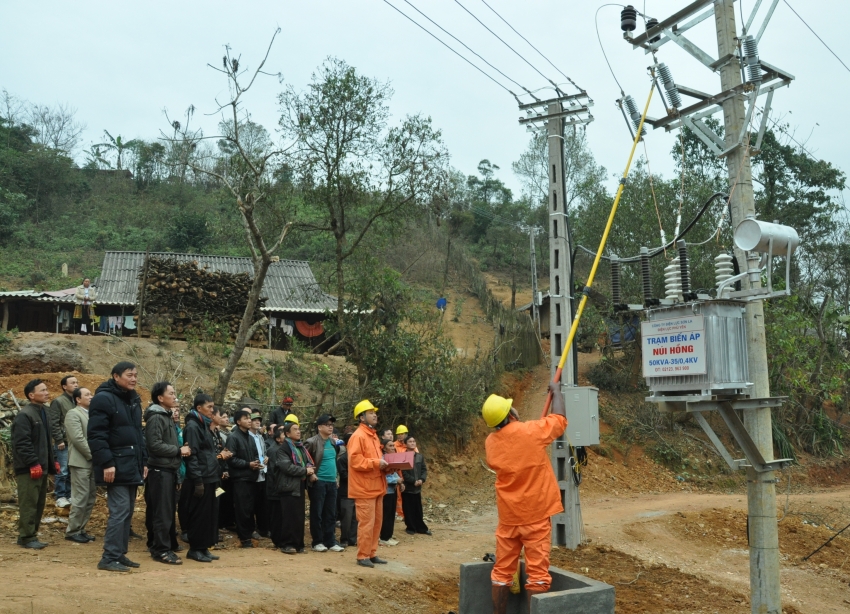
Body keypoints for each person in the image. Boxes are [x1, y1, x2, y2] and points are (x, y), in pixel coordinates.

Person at [483, 383, 567, 611]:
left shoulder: (490, 443)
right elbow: (559, 420)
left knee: (501, 572)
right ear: (511, 414)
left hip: (509, 517)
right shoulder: (530, 432)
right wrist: (557, 393)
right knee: (537, 575)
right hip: (536, 515)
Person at [88, 362, 147, 572]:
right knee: (120, 511)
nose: (134, 379)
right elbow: (96, 435)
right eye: (129, 375)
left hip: (131, 464)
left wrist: (144, 462)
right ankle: (109, 557)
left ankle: (120, 554)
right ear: (115, 376)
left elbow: (139, 435)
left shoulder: (132, 399)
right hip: (116, 464)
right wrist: (107, 463)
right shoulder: (103, 399)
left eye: (136, 375)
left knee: (128, 511)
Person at [144, 382, 191, 565]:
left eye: (175, 393)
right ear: (160, 398)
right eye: (171, 393)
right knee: (162, 513)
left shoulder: (167, 416)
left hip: (168, 470)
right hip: (159, 471)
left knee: (166, 512)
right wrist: (179, 450)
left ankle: (161, 546)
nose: (175, 397)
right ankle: (161, 550)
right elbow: (154, 445)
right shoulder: (156, 417)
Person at [11, 379, 57, 549]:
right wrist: (32, 463)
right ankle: (27, 537)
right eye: (42, 390)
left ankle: (29, 534)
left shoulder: (44, 411)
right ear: (31, 395)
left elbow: (46, 442)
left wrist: (53, 463)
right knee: (29, 503)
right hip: (29, 468)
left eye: (46, 389)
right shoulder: (25, 415)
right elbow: (22, 443)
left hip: (42, 466)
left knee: (39, 503)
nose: (47, 392)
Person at [347, 399, 390, 568]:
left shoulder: (372, 435)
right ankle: (362, 555)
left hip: (377, 487)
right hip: (364, 488)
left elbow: (376, 461)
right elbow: (356, 461)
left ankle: (372, 553)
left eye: (375, 412)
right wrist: (376, 463)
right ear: (361, 417)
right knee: (366, 523)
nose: (375, 415)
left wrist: (387, 467)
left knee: (377, 522)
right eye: (371, 413)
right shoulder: (358, 436)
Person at [181, 393, 221, 563]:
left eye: (213, 407)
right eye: (209, 407)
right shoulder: (192, 426)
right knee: (198, 514)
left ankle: (204, 547)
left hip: (211, 476)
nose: (212, 410)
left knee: (208, 515)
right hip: (201, 478)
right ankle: (195, 549)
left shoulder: (203, 425)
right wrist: (197, 480)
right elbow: (192, 456)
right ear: (199, 408)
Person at [225, 408, 265, 548]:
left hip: (252, 478)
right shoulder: (233, 437)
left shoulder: (250, 437)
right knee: (242, 509)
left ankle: (249, 535)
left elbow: (254, 455)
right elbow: (231, 459)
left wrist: (257, 463)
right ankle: (244, 539)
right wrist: (248, 464)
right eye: (246, 418)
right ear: (238, 421)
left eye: (250, 418)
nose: (249, 420)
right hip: (240, 479)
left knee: (250, 509)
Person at [305, 414, 345, 553]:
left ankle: (330, 541)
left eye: (331, 425)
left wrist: (336, 477)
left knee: (331, 513)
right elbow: (304, 460)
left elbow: (334, 461)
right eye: (327, 424)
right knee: (317, 513)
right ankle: (317, 541)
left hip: (332, 482)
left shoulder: (333, 442)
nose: (330, 427)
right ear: (319, 427)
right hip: (318, 482)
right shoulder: (311, 442)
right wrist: (311, 474)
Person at [275, 421, 315, 554]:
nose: (298, 431)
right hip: (288, 487)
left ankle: (298, 544)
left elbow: (307, 463)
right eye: (295, 429)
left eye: (299, 429)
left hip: (299, 486)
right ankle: (287, 544)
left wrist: (310, 470)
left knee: (299, 516)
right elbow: (287, 468)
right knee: (289, 516)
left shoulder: (300, 447)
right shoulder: (283, 449)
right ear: (287, 433)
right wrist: (305, 471)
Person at [65, 387, 96, 543]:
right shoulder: (73, 414)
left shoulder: (91, 415)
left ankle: (81, 528)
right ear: (78, 399)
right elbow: (78, 439)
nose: (91, 396)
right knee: (80, 497)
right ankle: (73, 530)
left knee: (90, 497)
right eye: (87, 394)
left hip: (91, 463)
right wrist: (93, 455)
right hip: (80, 462)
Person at [47, 374, 77, 508]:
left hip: (74, 441)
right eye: (72, 383)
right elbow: (54, 422)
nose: (76, 384)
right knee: (62, 470)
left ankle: (70, 494)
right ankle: (60, 496)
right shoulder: (58, 401)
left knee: (71, 470)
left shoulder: (76, 400)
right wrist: (59, 439)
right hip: (63, 442)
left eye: (77, 382)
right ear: (64, 386)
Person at [400, 435, 430, 536]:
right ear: (405, 444)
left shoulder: (419, 456)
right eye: (410, 442)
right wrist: (413, 481)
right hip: (408, 488)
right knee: (408, 508)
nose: (412, 443)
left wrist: (422, 479)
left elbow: (424, 469)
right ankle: (410, 527)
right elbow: (404, 473)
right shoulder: (403, 457)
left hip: (418, 488)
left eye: (414, 441)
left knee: (418, 508)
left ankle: (421, 527)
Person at [379, 440, 403, 546]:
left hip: (393, 490)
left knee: (391, 514)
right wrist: (395, 481)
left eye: (393, 445)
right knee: (386, 514)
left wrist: (400, 482)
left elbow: (394, 472)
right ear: (384, 448)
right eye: (390, 446)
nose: (393, 447)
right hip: (386, 491)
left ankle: (388, 536)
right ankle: (384, 537)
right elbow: (383, 476)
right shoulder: (383, 459)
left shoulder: (393, 458)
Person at [265, 425, 285, 549]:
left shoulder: (284, 449)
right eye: (284, 435)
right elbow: (273, 471)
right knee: (276, 515)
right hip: (275, 488)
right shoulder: (274, 450)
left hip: (280, 487)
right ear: (278, 439)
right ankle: (277, 540)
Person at [336, 434, 357, 548]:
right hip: (346, 492)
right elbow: (344, 475)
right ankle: (344, 539)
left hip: (358, 491)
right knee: (346, 517)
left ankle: (353, 539)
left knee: (356, 517)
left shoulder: (359, 457)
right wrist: (358, 476)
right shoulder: (343, 459)